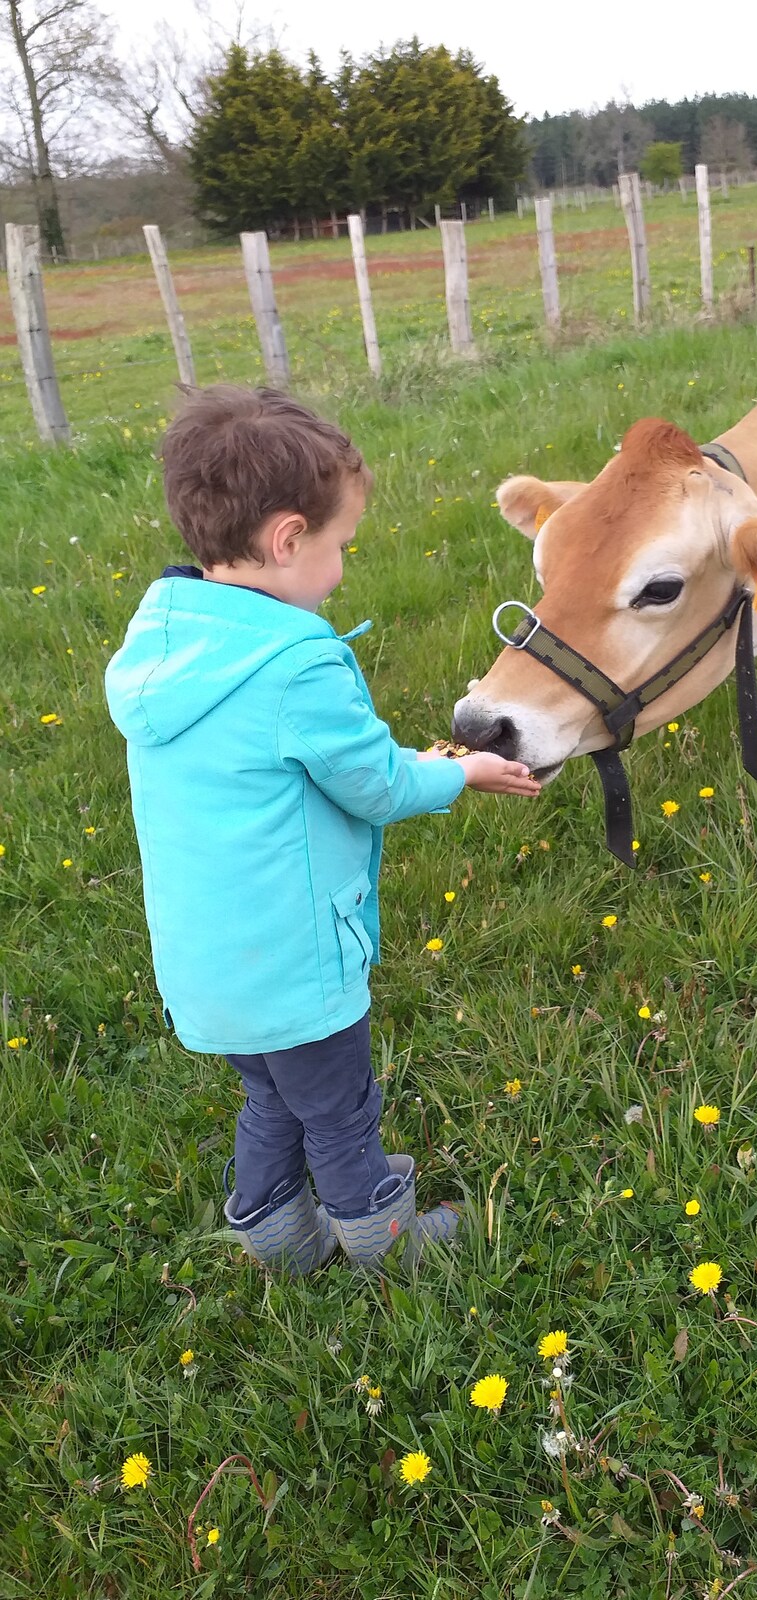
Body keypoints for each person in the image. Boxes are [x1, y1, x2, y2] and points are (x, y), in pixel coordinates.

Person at [105, 385, 539, 1275]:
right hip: (293, 962)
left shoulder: (164, 636)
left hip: (207, 963)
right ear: (287, 539)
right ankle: (382, 1239)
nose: (344, 567)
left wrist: (407, 764)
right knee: (340, 1109)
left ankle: (276, 1236)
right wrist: (460, 770)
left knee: (269, 1097)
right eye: (340, 545)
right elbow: (376, 787)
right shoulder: (296, 665)